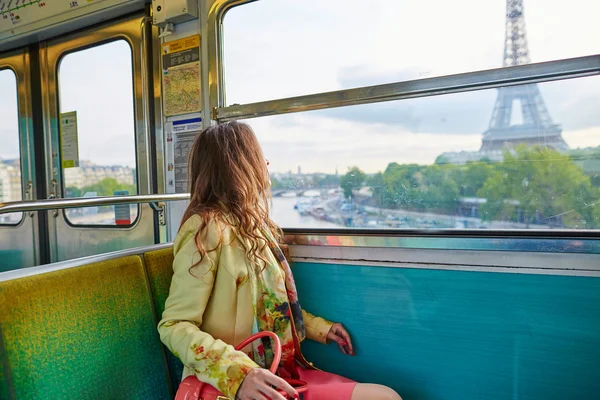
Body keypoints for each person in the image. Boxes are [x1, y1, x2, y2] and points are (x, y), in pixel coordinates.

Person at [158, 121, 401, 400]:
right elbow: (174, 325)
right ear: (242, 165)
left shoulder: (256, 228)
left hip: (277, 372)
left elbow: (271, 308)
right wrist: (240, 374)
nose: (266, 163)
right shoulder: (205, 229)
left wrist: (322, 328)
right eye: (259, 157)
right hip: (230, 383)